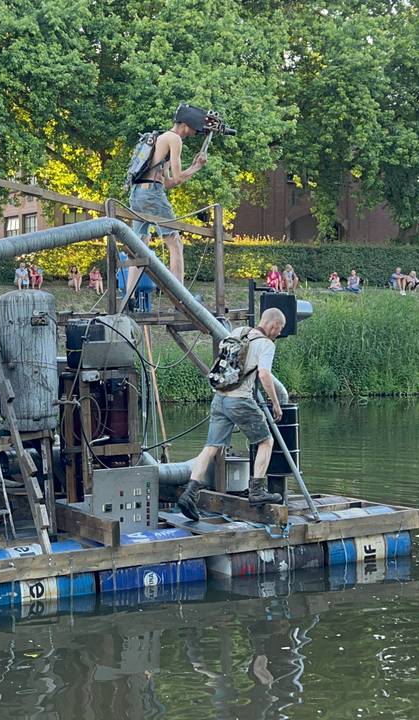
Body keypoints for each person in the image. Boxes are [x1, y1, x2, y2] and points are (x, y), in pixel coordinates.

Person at [180, 307, 289, 518]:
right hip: (240, 400)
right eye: (280, 328)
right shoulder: (266, 344)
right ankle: (257, 491)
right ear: (273, 324)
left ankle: (189, 493)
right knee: (266, 442)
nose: (279, 333)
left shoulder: (238, 332)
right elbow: (264, 375)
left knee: (211, 447)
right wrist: (275, 403)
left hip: (220, 398)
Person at [125, 104, 209, 298]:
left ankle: (128, 296)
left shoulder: (160, 138)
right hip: (152, 195)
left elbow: (167, 183)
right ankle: (180, 296)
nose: (195, 133)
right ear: (187, 125)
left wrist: (194, 167)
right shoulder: (175, 139)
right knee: (174, 243)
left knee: (140, 245)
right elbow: (179, 178)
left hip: (138, 194)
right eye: (195, 129)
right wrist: (196, 167)